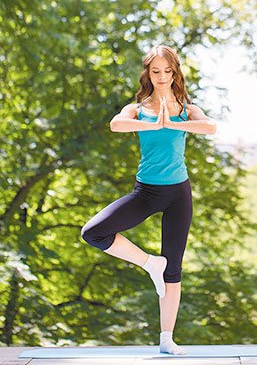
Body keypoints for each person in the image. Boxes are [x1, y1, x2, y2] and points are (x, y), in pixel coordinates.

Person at [80, 44, 216, 355]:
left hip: (178, 193)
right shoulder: (138, 107)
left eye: (168, 71)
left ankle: (167, 339)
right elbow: (117, 124)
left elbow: (210, 126)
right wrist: (153, 123)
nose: (162, 76)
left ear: (175, 72)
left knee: (174, 269)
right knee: (93, 232)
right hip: (146, 192)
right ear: (148, 73)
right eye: (156, 71)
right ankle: (149, 263)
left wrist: (174, 123)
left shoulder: (185, 107)